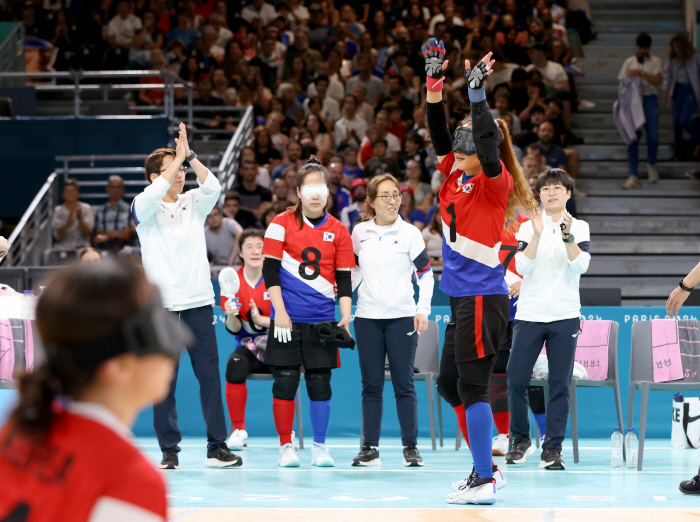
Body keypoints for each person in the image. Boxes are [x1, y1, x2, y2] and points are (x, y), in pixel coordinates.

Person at [423, 39, 537, 504]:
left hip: (481, 296)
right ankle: (484, 467)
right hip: (459, 295)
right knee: (450, 382)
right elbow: (436, 132)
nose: (463, 131)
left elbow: (488, 144)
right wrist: (434, 84)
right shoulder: (453, 170)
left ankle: (485, 478)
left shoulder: (495, 181)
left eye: (471, 127)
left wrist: (477, 97)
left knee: (471, 385)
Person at [0, 260, 190, 522]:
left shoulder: (20, 428)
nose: (172, 352)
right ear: (120, 366)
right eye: (157, 333)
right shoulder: (130, 479)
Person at [132, 123, 241, 470]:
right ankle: (169, 451)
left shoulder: (194, 202)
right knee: (163, 380)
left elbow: (214, 185)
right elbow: (149, 199)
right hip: (161, 309)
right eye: (172, 169)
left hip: (197, 303)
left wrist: (189, 156)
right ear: (154, 178)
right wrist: (176, 161)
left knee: (209, 376)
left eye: (181, 168)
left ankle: (217, 446)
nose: (180, 174)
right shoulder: (143, 207)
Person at [262, 157, 354, 468]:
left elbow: (343, 277)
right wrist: (280, 313)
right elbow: (270, 271)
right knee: (285, 382)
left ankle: (319, 447)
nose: (315, 194)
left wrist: (345, 315)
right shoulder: (280, 223)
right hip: (286, 319)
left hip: (322, 322)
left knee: (320, 384)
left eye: (321, 188)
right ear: (298, 191)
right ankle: (286, 446)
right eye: (309, 188)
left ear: (329, 192)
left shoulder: (340, 230)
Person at [505, 169, 590, 471]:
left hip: (564, 315)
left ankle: (552, 448)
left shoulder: (579, 226)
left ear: (568, 194)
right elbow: (522, 266)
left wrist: (567, 237)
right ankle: (520, 440)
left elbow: (581, 265)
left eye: (558, 188)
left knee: (559, 385)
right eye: (546, 189)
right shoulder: (528, 228)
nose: (551, 193)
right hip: (529, 314)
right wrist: (538, 235)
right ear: (538, 194)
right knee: (515, 378)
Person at [351, 174, 434, 467]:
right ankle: (369, 448)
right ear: (371, 201)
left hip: (402, 319)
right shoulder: (359, 232)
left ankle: (410, 447)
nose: (392, 200)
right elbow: (355, 271)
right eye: (384, 195)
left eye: (395, 194)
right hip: (366, 319)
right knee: (371, 385)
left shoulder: (410, 233)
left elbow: (425, 274)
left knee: (404, 384)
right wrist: (341, 295)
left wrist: (422, 309)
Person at [223, 229, 274, 451]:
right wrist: (231, 314)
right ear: (241, 253)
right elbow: (234, 330)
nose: (256, 251)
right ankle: (239, 430)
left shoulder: (277, 278)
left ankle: (286, 435)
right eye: (249, 247)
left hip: (277, 343)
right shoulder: (231, 281)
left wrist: (262, 320)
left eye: (260, 245)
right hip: (248, 348)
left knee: (287, 370)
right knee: (235, 364)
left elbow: (290, 321)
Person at [618, 32, 662, 189]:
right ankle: (633, 174)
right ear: (636, 47)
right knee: (633, 138)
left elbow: (658, 80)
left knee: (653, 136)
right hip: (633, 101)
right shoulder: (629, 61)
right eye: (640, 48)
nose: (643, 51)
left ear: (649, 47)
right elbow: (622, 82)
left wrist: (641, 73)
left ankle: (651, 164)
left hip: (649, 99)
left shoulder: (655, 61)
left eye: (646, 48)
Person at [663, 33, 700, 162]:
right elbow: (667, 76)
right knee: (676, 123)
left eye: (677, 48)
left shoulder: (695, 58)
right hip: (678, 90)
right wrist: (666, 90)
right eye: (673, 48)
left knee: (685, 119)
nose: (675, 50)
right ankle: (678, 152)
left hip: (690, 89)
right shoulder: (672, 60)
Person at [52, 179, 94, 251]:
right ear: (63, 194)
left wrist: (80, 219)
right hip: (63, 248)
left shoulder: (86, 208)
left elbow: (87, 234)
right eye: (67, 191)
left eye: (73, 190)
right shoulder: (58, 211)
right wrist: (69, 223)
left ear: (78, 193)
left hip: (83, 248)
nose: (70, 193)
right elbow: (57, 236)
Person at [93, 175, 133, 252]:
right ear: (107, 189)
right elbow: (98, 235)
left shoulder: (129, 210)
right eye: (112, 187)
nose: (115, 190)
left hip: (123, 249)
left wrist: (107, 236)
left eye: (118, 187)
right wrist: (114, 234)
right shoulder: (100, 210)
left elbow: (126, 235)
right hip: (103, 248)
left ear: (123, 190)